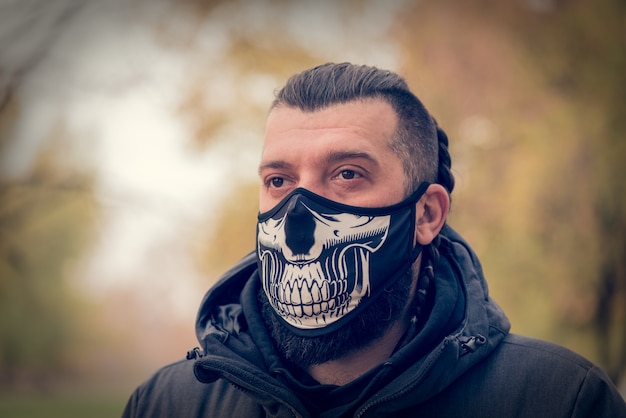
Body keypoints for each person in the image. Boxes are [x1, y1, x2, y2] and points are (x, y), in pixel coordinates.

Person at [122, 63, 626, 417]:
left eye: (346, 174)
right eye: (278, 181)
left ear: (427, 214)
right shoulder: (169, 405)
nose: (299, 225)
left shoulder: (558, 401)